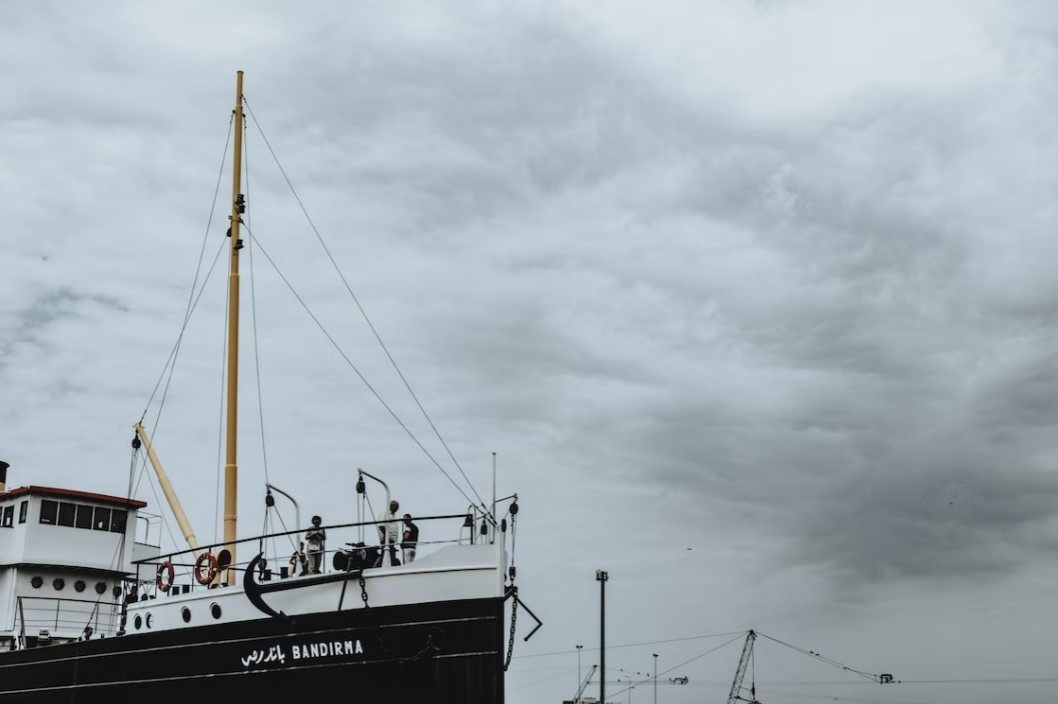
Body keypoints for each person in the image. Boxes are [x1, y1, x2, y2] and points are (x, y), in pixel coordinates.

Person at [377, 499, 400, 566]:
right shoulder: (385, 514)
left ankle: (385, 566)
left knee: (390, 555)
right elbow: (381, 526)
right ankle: (377, 566)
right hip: (386, 539)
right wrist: (386, 537)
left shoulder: (393, 516)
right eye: (396, 507)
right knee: (387, 555)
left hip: (391, 540)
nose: (397, 509)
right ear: (391, 506)